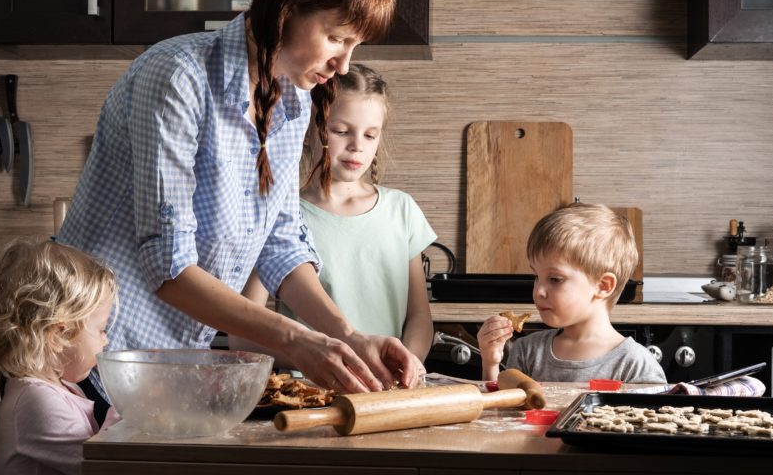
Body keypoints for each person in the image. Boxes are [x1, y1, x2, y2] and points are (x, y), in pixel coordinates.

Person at [56, 0, 420, 401]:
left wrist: (348, 337)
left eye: (354, 47)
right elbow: (168, 265)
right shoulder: (177, 79)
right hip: (94, 359)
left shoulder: (293, 101)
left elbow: (281, 243)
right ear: (288, 11)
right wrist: (297, 339)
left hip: (169, 367)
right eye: (336, 38)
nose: (344, 65)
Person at [231, 64, 436, 363]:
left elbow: (419, 317)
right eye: (341, 131)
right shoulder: (280, 216)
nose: (356, 146)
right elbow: (243, 336)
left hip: (384, 390)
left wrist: (409, 361)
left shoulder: (401, 210)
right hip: (312, 390)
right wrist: (314, 358)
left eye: (370, 135)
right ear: (307, 130)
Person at [476, 204, 666, 384]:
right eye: (536, 276)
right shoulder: (528, 351)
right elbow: (500, 414)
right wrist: (491, 363)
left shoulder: (634, 364)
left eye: (555, 279)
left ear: (603, 286)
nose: (539, 291)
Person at [0, 239, 119, 475]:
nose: (106, 341)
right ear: (58, 335)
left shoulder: (61, 388)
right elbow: (102, 466)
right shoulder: (37, 402)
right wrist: (127, 408)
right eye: (101, 330)